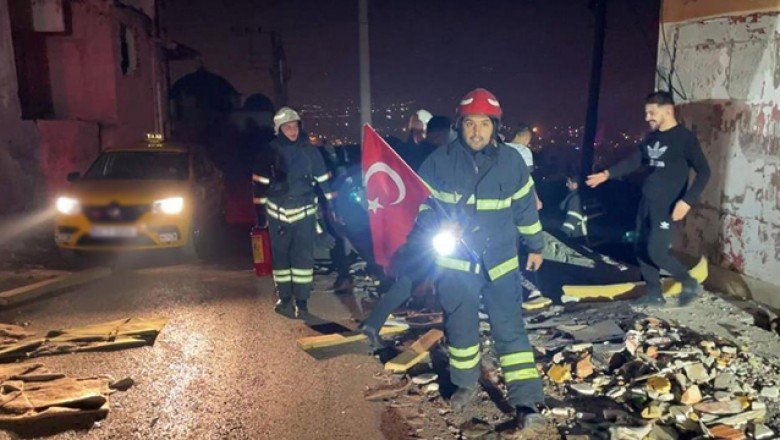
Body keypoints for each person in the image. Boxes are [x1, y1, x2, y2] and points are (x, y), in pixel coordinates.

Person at [415, 88, 547, 432]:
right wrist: (441, 223)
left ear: (495, 127)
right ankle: (465, 384)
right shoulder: (438, 161)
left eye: (484, 124)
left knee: (510, 331)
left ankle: (526, 400)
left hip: (501, 263)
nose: (477, 131)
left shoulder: (512, 162)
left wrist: (535, 245)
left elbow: (525, 210)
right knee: (460, 327)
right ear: (460, 125)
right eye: (470, 124)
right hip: (456, 264)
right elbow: (420, 207)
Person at [586, 91, 710, 307]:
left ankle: (688, 282)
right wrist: (607, 174)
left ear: (668, 111)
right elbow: (635, 160)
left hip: (667, 205)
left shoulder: (684, 138)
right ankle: (655, 294)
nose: (647, 118)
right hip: (646, 202)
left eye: (651, 113)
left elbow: (704, 171)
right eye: (646, 113)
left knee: (656, 251)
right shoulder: (652, 138)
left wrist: (687, 201)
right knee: (640, 247)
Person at [251, 107, 336, 319]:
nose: (292, 130)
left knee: (304, 260)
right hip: (277, 213)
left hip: (304, 212)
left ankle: (302, 302)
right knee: (280, 259)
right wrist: (261, 216)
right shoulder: (268, 152)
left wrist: (333, 209)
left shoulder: (310, 151)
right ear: (279, 129)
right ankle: (284, 298)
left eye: (295, 125)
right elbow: (259, 185)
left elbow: (324, 181)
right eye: (287, 127)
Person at [560, 174, 587, 239]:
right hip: (577, 232)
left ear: (575, 185)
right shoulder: (576, 195)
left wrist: (562, 235)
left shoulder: (575, 199)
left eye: (568, 183)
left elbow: (572, 218)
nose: (566, 185)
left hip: (576, 234)